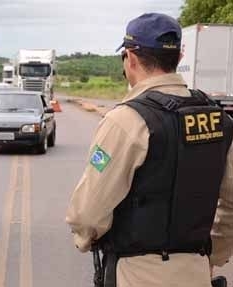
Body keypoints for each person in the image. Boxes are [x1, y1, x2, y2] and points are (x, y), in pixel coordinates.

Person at [66, 13, 233, 287]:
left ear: (130, 58)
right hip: (198, 272)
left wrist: (85, 237)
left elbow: (86, 214)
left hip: (137, 274)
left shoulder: (126, 121)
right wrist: (211, 255)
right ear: (179, 58)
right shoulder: (219, 119)